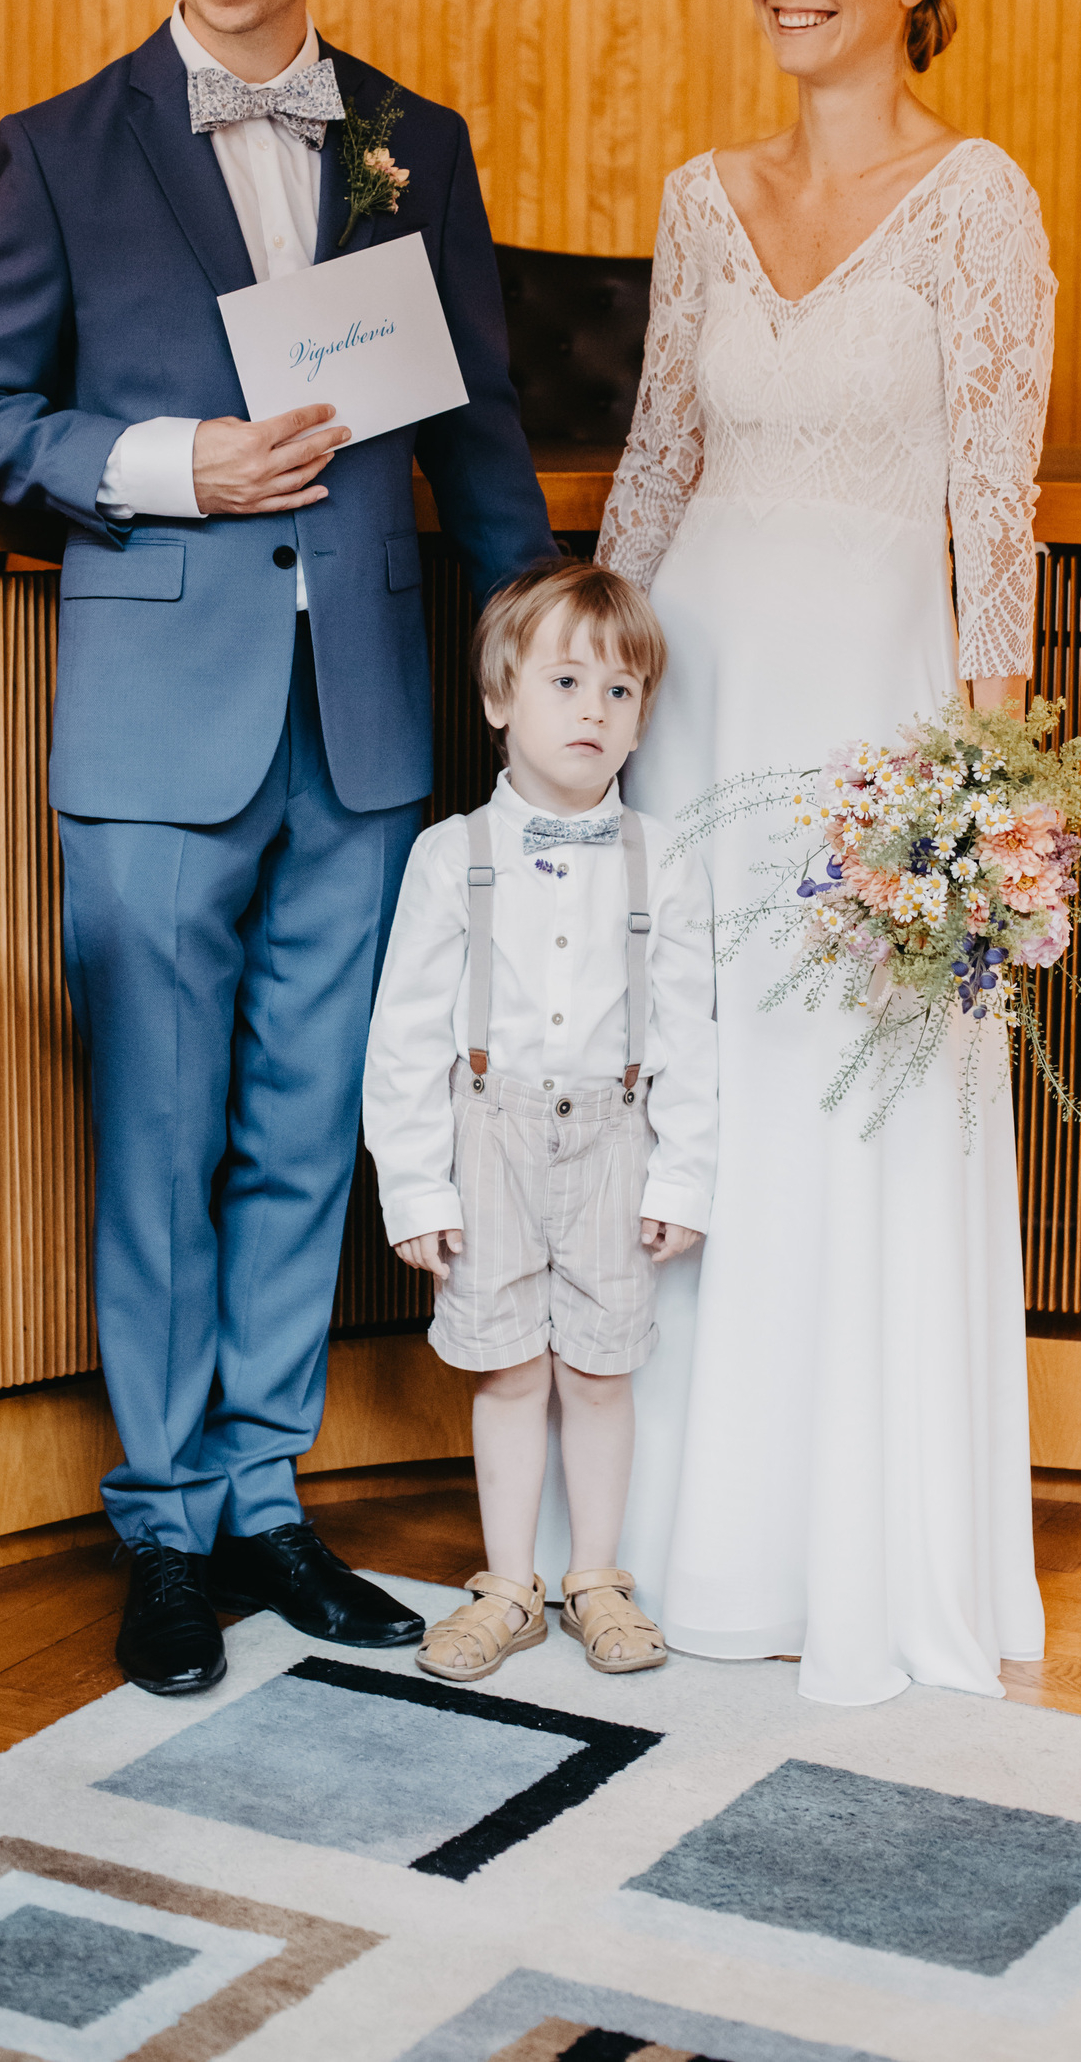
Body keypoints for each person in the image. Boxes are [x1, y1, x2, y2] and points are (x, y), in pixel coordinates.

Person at [0, 0, 555, 1695]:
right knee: (157, 1132)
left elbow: (481, 421)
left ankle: (272, 1503)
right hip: (154, 716)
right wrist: (175, 463)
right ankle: (167, 1530)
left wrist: (530, 643)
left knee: (305, 1130)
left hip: (364, 714)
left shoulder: (407, 141)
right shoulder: (62, 145)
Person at [596, 0, 1053, 1706]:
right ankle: (671, 1547)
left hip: (873, 728)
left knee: (847, 1108)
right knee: (695, 1096)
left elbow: (995, 507)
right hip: (697, 699)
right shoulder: (703, 197)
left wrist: (983, 792)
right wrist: (587, 696)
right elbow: (653, 465)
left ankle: (852, 1552)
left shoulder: (981, 201)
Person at [362, 561, 717, 1681]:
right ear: (500, 699)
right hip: (489, 1143)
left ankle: (595, 1579)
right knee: (509, 1370)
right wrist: (416, 1188)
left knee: (602, 1370)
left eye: (620, 692)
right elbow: (405, 1039)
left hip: (617, 1140)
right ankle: (507, 1583)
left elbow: (691, 1035)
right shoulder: (446, 856)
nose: (594, 712)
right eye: (565, 682)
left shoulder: (669, 859)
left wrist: (684, 1178)